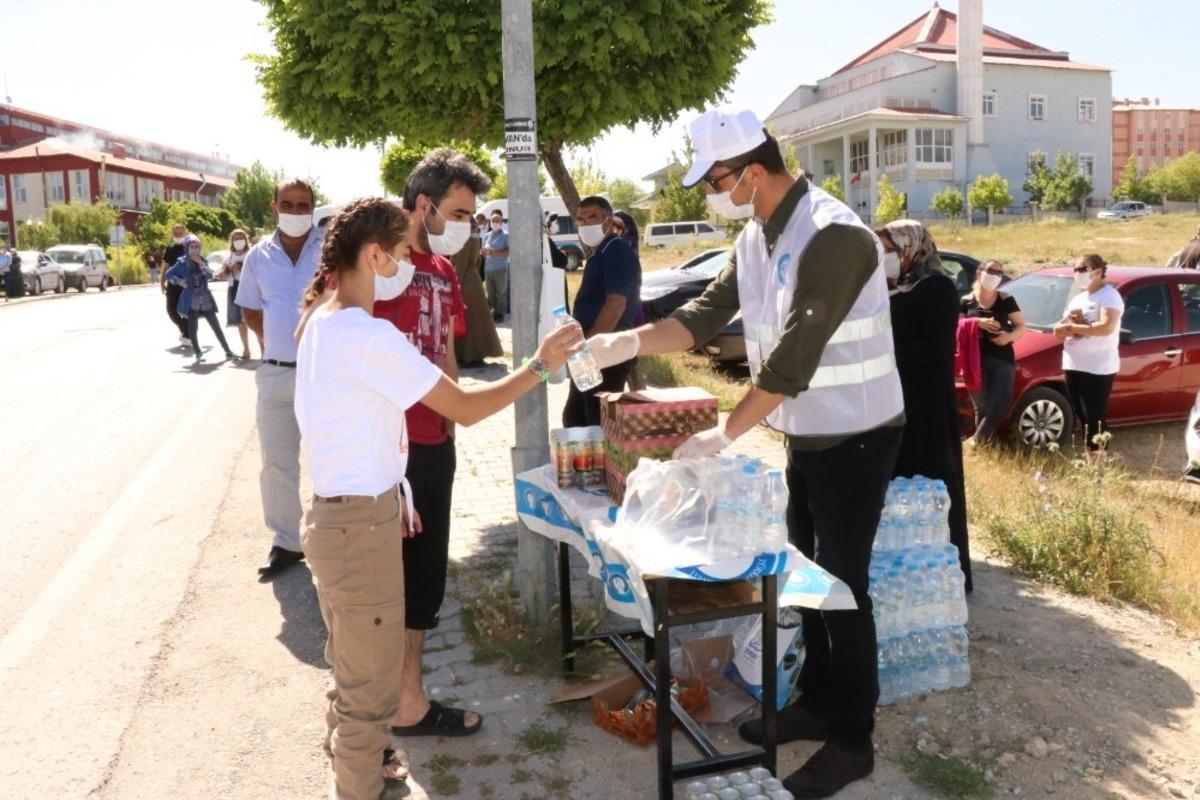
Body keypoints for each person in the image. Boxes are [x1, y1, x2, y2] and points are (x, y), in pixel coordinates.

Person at [586, 107, 904, 798]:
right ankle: (818, 702)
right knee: (806, 576)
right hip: (809, 435)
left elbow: (792, 361)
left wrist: (724, 433)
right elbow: (705, 314)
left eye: (716, 180)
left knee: (844, 587)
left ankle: (853, 740)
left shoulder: (834, 235)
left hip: (858, 436)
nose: (710, 192)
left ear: (753, 171)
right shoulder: (759, 236)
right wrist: (629, 341)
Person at [295, 197, 582, 800]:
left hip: (334, 520)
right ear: (373, 255)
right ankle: (356, 784)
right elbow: (468, 407)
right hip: (358, 528)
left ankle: (361, 766)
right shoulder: (367, 336)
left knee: (351, 666)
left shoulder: (323, 319)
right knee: (370, 692)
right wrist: (541, 364)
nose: (409, 263)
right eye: (401, 253)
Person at [371, 148, 491, 741]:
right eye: (460, 212)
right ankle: (377, 707)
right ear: (424, 206)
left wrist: (446, 428)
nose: (468, 224)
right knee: (378, 582)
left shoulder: (444, 273)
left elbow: (446, 349)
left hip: (432, 448)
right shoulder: (377, 264)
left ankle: (408, 700)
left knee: (423, 581)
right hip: (383, 455)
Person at [236, 179, 324, 578]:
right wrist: (275, 340)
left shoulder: (331, 250)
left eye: (302, 205)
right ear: (274, 206)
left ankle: (330, 536)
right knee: (276, 462)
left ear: (312, 208)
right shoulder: (258, 256)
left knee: (329, 458)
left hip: (324, 376)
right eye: (287, 204)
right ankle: (287, 543)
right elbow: (250, 311)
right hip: (275, 375)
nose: (294, 211)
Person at [878, 219, 971, 591]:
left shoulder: (937, 288)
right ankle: (906, 567)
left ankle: (945, 569)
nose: (883, 257)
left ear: (910, 247)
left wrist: (882, 355)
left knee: (931, 483)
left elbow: (934, 348)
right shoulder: (895, 288)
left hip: (927, 403)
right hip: (895, 401)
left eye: (888, 249)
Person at [561, 195, 642, 427]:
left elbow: (615, 304)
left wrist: (590, 347)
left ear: (608, 221)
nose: (586, 225)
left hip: (606, 348)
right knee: (576, 418)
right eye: (581, 220)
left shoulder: (617, 251)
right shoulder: (600, 253)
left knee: (596, 422)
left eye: (592, 218)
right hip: (593, 347)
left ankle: (605, 464)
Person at [1053, 254, 1124, 456]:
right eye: (1075, 269)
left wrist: (1075, 327)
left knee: (1094, 417)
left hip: (1098, 366)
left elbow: (1106, 327)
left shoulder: (1110, 296)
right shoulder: (1078, 298)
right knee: (1082, 417)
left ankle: (1098, 466)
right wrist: (1061, 329)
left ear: (1098, 272)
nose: (1077, 273)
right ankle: (1089, 458)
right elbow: (1059, 329)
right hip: (1074, 363)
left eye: (1082, 269)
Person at [960, 260, 1027, 444]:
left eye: (999, 272)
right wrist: (976, 323)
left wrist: (1008, 337)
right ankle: (985, 448)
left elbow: (1021, 326)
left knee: (1002, 402)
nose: (995, 275)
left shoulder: (1006, 299)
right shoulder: (966, 301)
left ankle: (976, 441)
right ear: (979, 273)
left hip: (1002, 357)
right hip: (974, 359)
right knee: (981, 407)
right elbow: (956, 328)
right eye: (991, 270)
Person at [166, 234, 236, 364]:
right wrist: (180, 281)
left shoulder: (202, 260)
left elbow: (209, 276)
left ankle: (228, 351)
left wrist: (200, 263)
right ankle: (198, 352)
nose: (195, 249)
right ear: (187, 247)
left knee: (216, 326)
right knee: (193, 328)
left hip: (205, 299)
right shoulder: (182, 262)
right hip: (191, 300)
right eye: (192, 246)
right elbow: (168, 274)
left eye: (197, 246)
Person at [453, 216, 503, 367]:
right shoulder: (475, 237)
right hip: (473, 279)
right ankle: (477, 353)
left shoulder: (465, 239)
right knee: (477, 319)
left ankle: (468, 355)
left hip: (466, 281)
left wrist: (455, 284)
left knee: (469, 320)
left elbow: (461, 264)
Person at [218, 229, 257, 360]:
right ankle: (246, 349)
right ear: (232, 241)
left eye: (241, 238)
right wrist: (230, 268)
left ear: (246, 240)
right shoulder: (229, 258)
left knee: (256, 319)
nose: (238, 241)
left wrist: (245, 267)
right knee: (241, 322)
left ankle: (264, 349)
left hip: (251, 288)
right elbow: (221, 276)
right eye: (235, 238)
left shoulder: (252, 254)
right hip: (234, 288)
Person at [161, 224, 190, 344]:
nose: (178, 235)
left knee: (185, 312)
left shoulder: (189, 247)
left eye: (180, 233)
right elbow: (166, 266)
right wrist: (162, 282)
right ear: (173, 234)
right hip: (172, 284)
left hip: (186, 285)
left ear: (184, 233)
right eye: (176, 233)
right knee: (171, 311)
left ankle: (187, 335)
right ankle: (186, 331)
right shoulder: (169, 248)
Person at [482, 209, 509, 322]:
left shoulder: (506, 235)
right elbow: (483, 250)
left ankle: (500, 314)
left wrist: (494, 252)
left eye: (497, 221)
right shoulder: (487, 235)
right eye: (493, 220)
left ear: (501, 222)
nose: (495, 223)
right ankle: (494, 311)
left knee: (501, 293)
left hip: (501, 269)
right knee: (491, 292)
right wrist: (483, 251)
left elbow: (508, 252)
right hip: (488, 269)